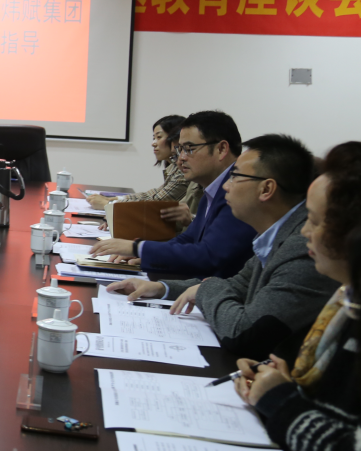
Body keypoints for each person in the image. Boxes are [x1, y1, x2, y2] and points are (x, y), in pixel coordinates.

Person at [232, 142, 361, 451]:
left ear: (357, 233)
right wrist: (282, 383)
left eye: (314, 221)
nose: (304, 232)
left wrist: (279, 399)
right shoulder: (347, 301)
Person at [104, 134, 338, 361]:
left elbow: (244, 333)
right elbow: (237, 284)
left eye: (235, 176)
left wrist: (205, 289)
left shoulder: (301, 247)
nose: (226, 185)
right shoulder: (275, 234)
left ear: (266, 189)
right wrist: (161, 288)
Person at [90, 110, 257, 278]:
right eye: (179, 150)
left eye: (189, 149)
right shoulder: (212, 187)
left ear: (221, 149)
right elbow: (187, 239)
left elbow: (208, 256)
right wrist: (145, 254)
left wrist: (138, 248)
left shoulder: (239, 191)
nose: (180, 159)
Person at [86, 114, 187, 209]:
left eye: (159, 137)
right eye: (154, 138)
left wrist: (108, 204)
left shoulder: (183, 171)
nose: (153, 143)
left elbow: (157, 202)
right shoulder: (174, 167)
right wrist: (116, 199)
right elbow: (153, 194)